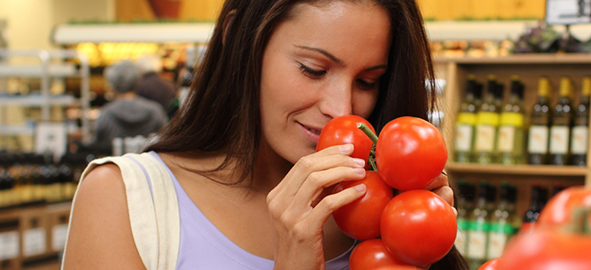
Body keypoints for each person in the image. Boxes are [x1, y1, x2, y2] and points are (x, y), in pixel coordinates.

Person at [62, 0, 465, 269]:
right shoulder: (125, 198)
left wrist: (422, 246)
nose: (341, 109)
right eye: (313, 69)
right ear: (240, 39)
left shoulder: (390, 210)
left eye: (367, 80)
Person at [91, 60, 167, 154]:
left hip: (115, 166)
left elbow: (97, 145)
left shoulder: (105, 114)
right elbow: (164, 142)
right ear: (138, 80)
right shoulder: (155, 111)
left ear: (112, 84)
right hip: (147, 166)